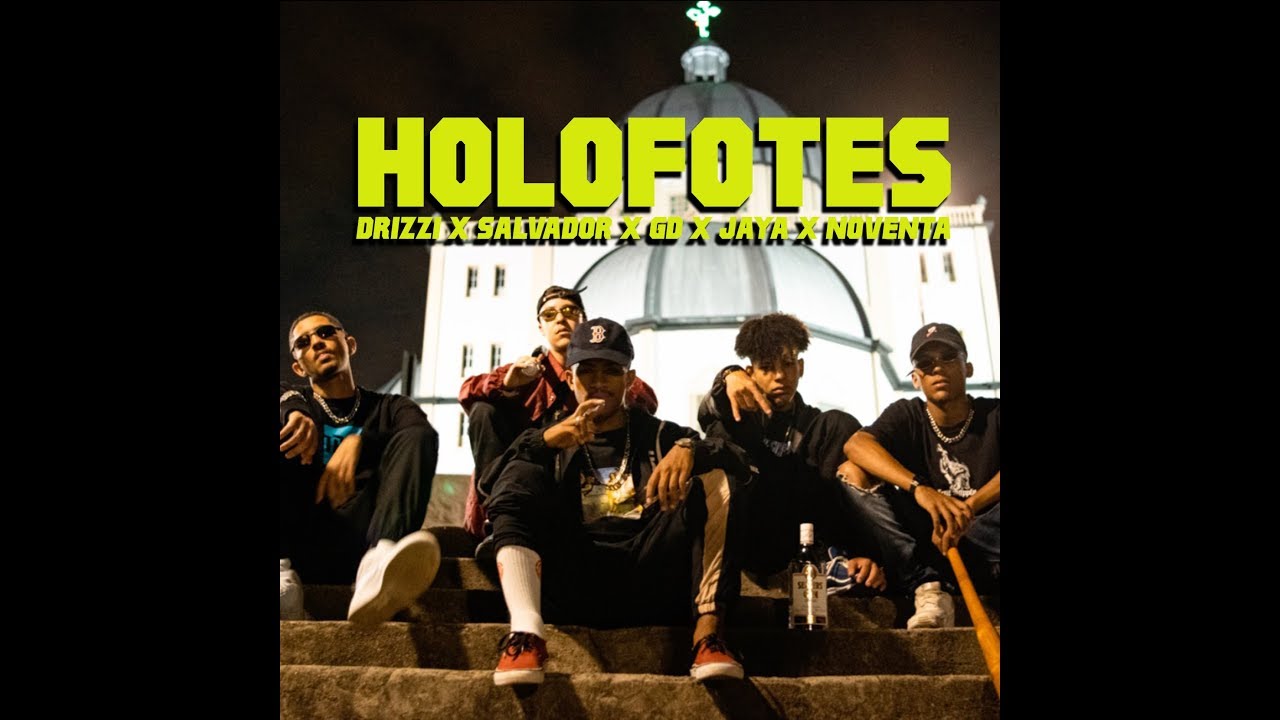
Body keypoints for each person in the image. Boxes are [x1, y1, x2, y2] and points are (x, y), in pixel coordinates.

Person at [483, 318, 754, 686]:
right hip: (573, 576)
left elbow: (743, 463)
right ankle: (526, 633)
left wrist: (692, 448)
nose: (598, 381)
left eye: (611, 371)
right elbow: (492, 486)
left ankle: (708, 638)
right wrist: (544, 442)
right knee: (520, 471)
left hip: (649, 573)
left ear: (630, 380)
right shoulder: (550, 435)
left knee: (719, 479)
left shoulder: (658, 434)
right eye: (587, 370)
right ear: (569, 378)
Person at [697, 313, 885, 595]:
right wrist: (727, 377)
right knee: (725, 431)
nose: (779, 376)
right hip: (753, 528)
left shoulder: (816, 425)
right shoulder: (738, 416)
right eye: (766, 367)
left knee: (839, 424)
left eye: (787, 364)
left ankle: (839, 557)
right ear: (750, 374)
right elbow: (708, 413)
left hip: (805, 531)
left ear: (801, 367)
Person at [279, 311, 442, 624]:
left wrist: (362, 442)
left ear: (349, 344)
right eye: (303, 342)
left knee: (417, 435)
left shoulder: (391, 407)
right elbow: (283, 394)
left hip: (365, 538)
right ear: (299, 366)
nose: (317, 343)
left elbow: (420, 435)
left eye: (325, 333)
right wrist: (292, 411)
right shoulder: (296, 404)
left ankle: (380, 561)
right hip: (303, 537)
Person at [458, 286, 657, 541]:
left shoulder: (610, 377)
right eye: (549, 315)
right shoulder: (526, 372)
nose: (561, 319)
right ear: (540, 327)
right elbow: (467, 392)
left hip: (586, 479)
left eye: (570, 311)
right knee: (484, 410)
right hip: (525, 478)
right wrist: (507, 384)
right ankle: (497, 520)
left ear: (584, 321)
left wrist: (606, 385)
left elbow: (647, 400)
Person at [842, 322, 1000, 629]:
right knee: (851, 473)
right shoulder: (907, 414)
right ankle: (929, 587)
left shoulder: (993, 413)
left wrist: (968, 508)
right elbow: (855, 445)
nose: (937, 368)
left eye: (948, 357)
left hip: (986, 541)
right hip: (929, 542)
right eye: (926, 363)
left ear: (967, 368)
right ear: (916, 378)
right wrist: (920, 489)